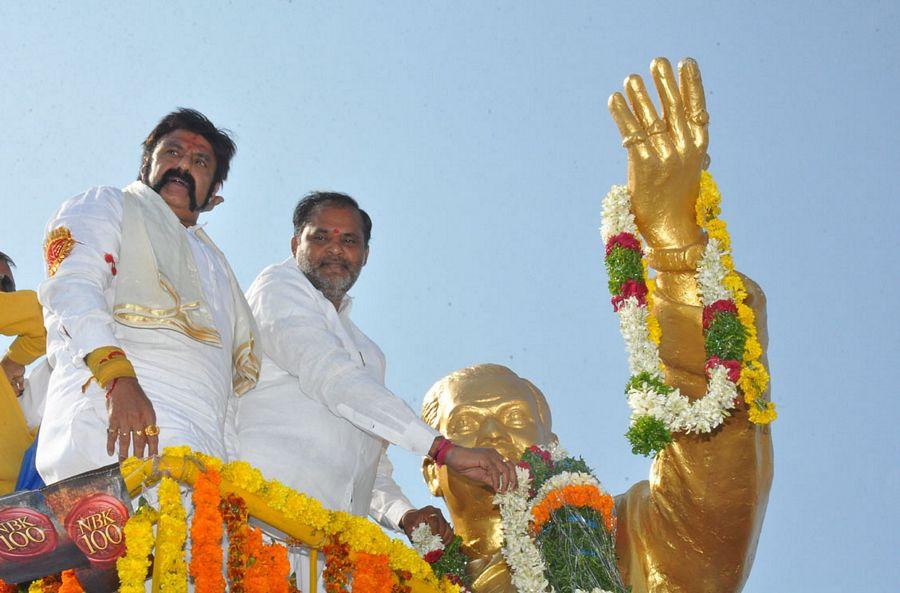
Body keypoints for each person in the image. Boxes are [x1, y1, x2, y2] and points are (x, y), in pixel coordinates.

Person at [420, 58, 773, 593]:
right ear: (430, 470)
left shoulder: (630, 538)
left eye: (515, 417)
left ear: (552, 441)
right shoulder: (381, 570)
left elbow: (715, 466)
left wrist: (675, 251)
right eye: (466, 425)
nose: (492, 436)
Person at [230, 192, 517, 548]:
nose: (335, 249)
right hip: (256, 520)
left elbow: (368, 466)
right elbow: (330, 376)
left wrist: (405, 515)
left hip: (328, 549)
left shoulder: (368, 353)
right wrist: (442, 450)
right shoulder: (278, 288)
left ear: (364, 255)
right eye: (320, 237)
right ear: (294, 245)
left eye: (348, 240)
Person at [36, 109, 260, 485]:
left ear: (214, 194)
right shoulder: (110, 205)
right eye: (171, 152)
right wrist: (117, 379)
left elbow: (226, 392)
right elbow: (72, 290)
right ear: (146, 163)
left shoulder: (219, 269)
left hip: (200, 463)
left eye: (200, 161)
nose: (182, 165)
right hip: (114, 431)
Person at [0, 251, 46, 494]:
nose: (6, 294)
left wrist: (13, 362)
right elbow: (41, 315)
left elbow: (47, 324)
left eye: (8, 285)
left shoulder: (12, 384)